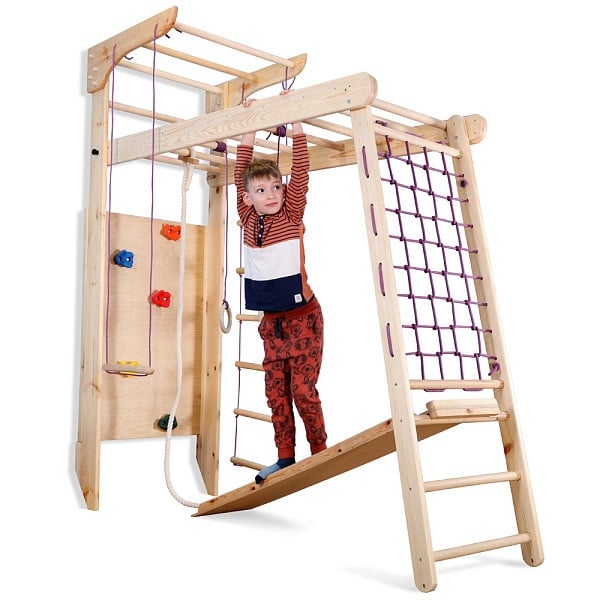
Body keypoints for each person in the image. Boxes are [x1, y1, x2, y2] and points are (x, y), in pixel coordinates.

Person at [235, 99, 328, 484]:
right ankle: (285, 456)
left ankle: (320, 450)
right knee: (276, 393)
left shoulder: (290, 214)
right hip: (271, 326)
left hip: (302, 319)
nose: (271, 194)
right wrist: (249, 125)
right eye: (261, 190)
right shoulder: (246, 217)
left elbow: (300, 173)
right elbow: (241, 171)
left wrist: (297, 125)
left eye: (276, 186)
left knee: (302, 390)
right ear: (248, 198)